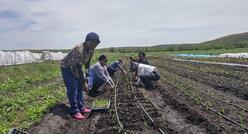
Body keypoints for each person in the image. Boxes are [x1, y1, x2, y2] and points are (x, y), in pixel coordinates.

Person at [60, 32, 100, 120]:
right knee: (73, 87)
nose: (94, 45)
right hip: (67, 67)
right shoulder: (79, 49)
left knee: (79, 88)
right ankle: (75, 111)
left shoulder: (91, 50)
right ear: (87, 41)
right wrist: (84, 82)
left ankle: (81, 108)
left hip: (76, 67)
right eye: (92, 42)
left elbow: (87, 64)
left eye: (96, 43)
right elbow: (78, 67)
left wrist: (88, 77)